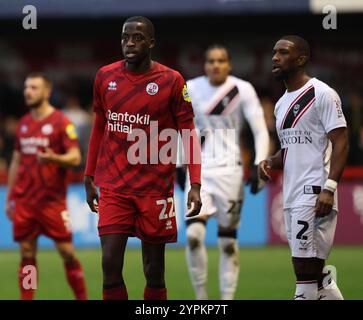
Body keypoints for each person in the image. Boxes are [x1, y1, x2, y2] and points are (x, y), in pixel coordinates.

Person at [84, 16, 202, 300]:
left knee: (154, 269)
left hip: (155, 188)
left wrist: (195, 183)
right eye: (125, 37)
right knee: (110, 263)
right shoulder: (105, 77)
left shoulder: (171, 81)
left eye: (137, 38)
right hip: (115, 186)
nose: (130, 43)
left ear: (151, 42)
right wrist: (89, 176)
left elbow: (188, 131)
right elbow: (100, 126)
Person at [259, 35, 349, 300]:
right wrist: (270, 161)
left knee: (303, 276)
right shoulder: (280, 103)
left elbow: (341, 143)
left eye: (283, 53)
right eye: (274, 52)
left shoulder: (322, 93)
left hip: (314, 194)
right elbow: (290, 148)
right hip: (292, 194)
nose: (275, 58)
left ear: (301, 59)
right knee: (317, 277)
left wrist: (329, 189)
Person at [184, 45, 269, 300]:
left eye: (221, 61)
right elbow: (180, 126)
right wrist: (179, 164)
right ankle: (201, 298)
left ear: (229, 64)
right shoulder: (189, 87)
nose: (215, 65)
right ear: (204, 64)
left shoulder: (242, 89)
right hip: (199, 171)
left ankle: (226, 300)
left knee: (228, 243)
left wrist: (260, 164)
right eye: (211, 61)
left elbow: (259, 130)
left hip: (231, 171)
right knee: (193, 235)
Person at [5, 72, 87, 300]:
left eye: (33, 87)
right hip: (25, 201)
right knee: (27, 252)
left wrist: (54, 159)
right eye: (26, 87)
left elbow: (75, 158)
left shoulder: (61, 122)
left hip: (53, 201)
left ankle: (82, 297)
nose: (27, 91)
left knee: (67, 252)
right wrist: (9, 197)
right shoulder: (23, 124)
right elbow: (16, 161)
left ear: (47, 91)